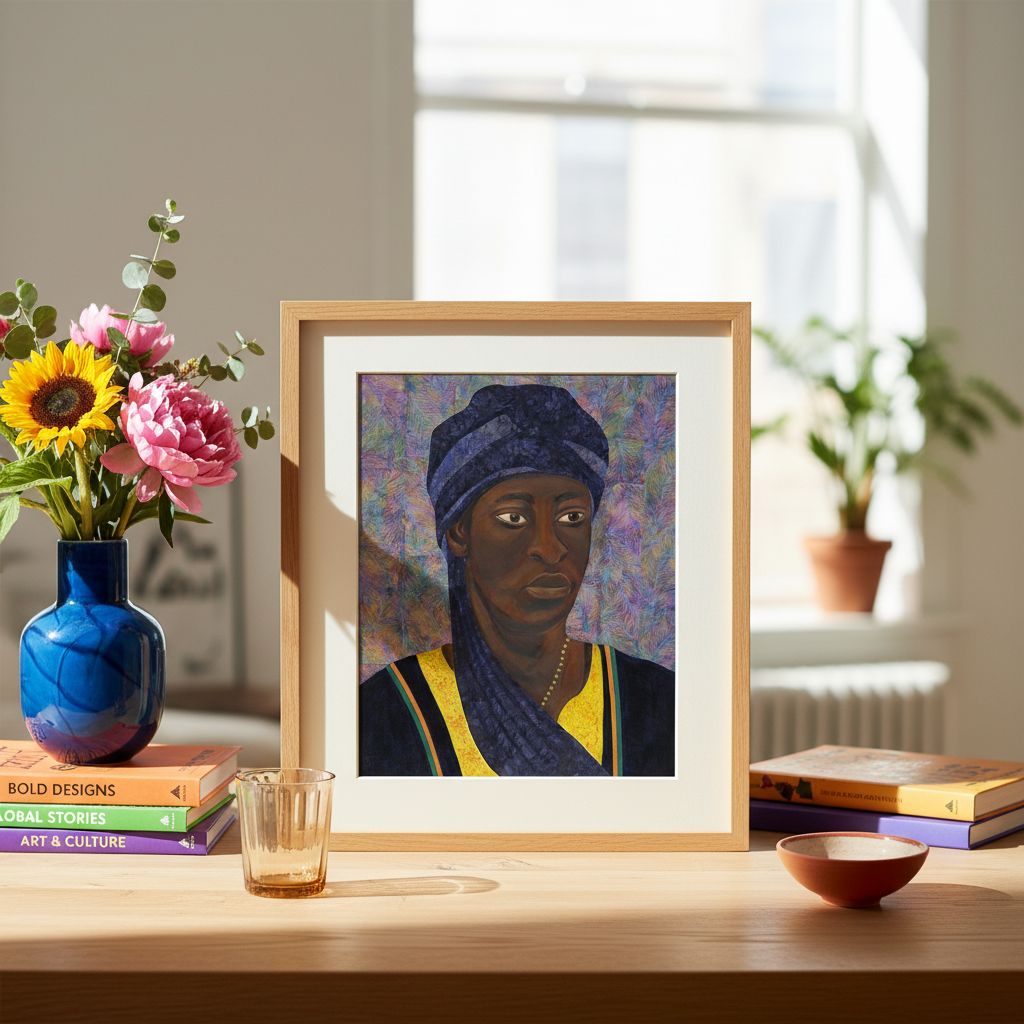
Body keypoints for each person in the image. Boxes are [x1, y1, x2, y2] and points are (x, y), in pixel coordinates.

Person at [359, 383, 674, 776]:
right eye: (513, 518)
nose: (550, 547)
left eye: (572, 518)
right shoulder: (385, 713)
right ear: (459, 533)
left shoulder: (654, 700)